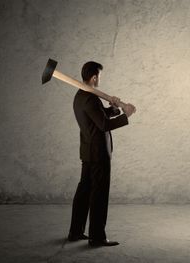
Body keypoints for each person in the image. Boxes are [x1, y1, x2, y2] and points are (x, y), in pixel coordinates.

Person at [68, 61, 136, 247]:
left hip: (88, 152)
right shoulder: (90, 98)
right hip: (98, 154)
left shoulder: (80, 96)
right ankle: (97, 237)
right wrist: (125, 115)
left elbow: (98, 116)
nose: (100, 79)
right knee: (99, 195)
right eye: (100, 76)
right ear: (94, 77)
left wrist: (114, 108)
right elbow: (104, 125)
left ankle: (75, 231)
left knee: (84, 192)